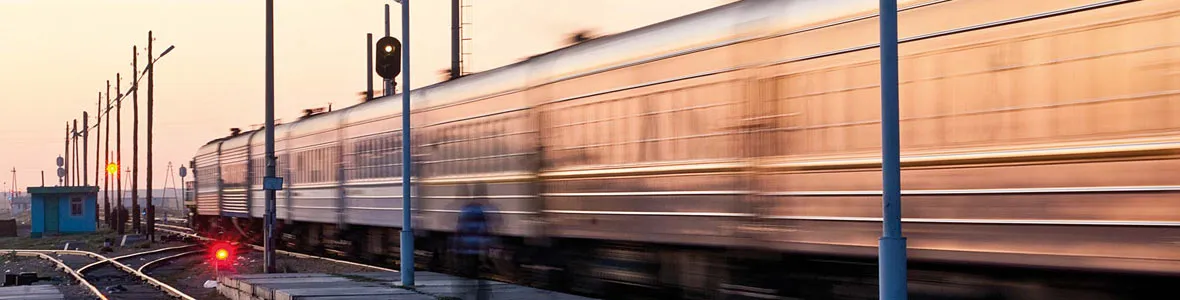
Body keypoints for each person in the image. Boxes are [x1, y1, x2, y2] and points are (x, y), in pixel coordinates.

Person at [455, 183, 491, 300]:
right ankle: (478, 296)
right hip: (476, 247)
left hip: (466, 247)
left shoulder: (465, 209)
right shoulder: (480, 210)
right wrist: (486, 248)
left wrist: (457, 246)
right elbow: (484, 230)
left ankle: (465, 295)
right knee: (476, 273)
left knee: (466, 274)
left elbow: (459, 229)